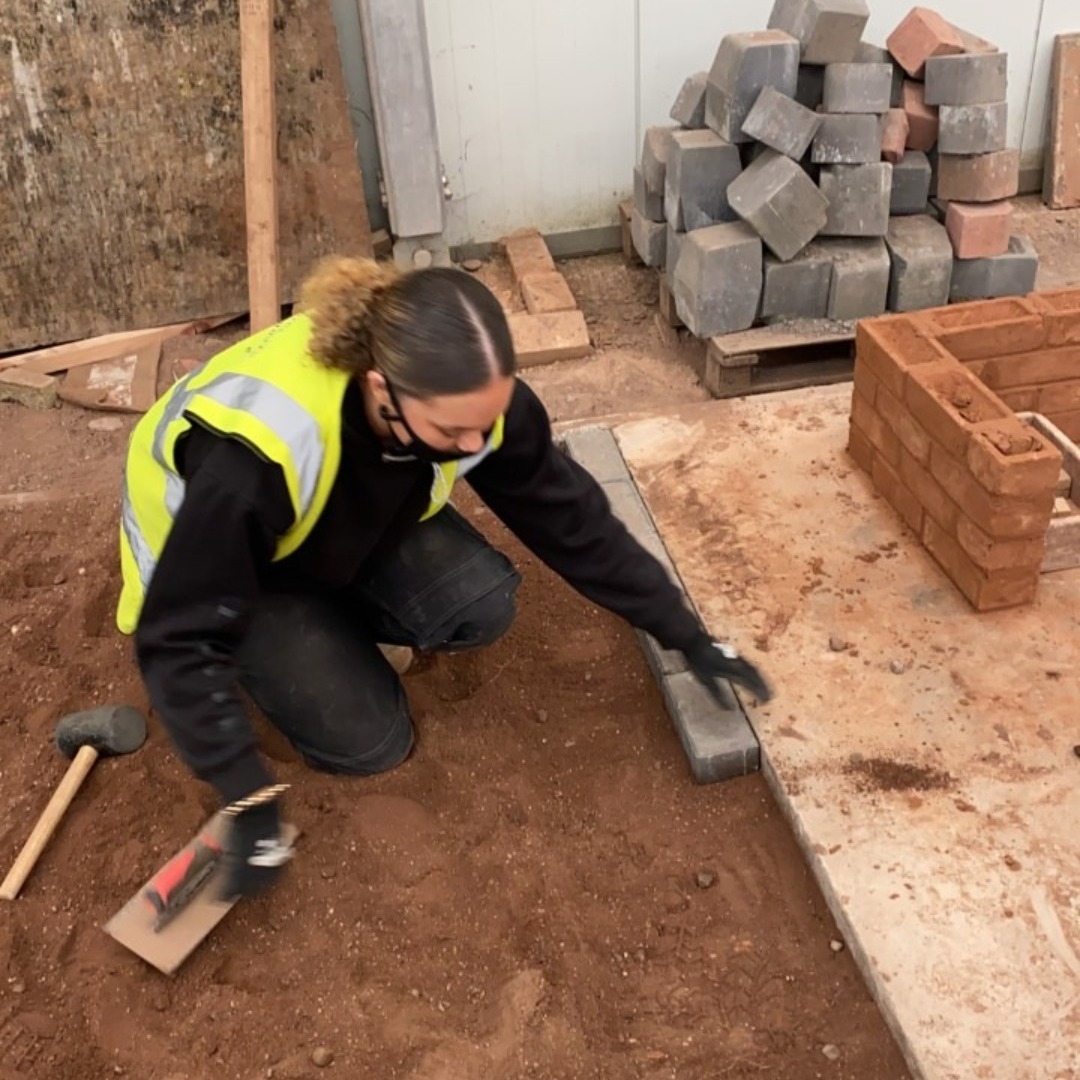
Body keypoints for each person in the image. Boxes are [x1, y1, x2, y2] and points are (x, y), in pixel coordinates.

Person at [116, 257, 772, 899]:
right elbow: (177, 639)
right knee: (371, 744)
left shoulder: (472, 400)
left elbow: (571, 519)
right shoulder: (260, 456)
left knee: (481, 603)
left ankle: (336, 621)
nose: (473, 444)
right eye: (453, 430)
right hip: (233, 575)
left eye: (483, 424)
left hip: (331, 523)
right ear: (381, 390)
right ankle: (279, 653)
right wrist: (247, 795)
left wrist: (683, 631)